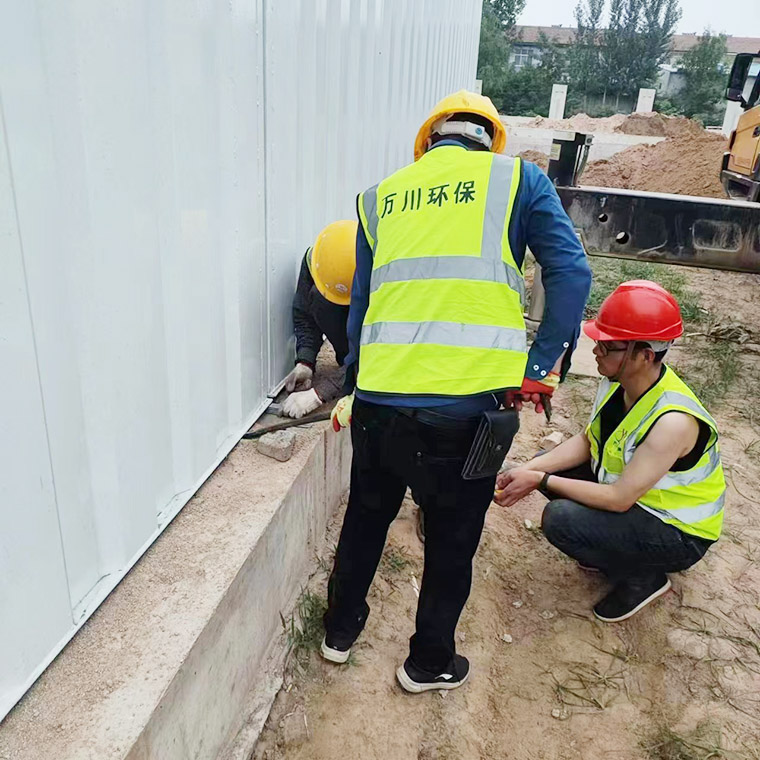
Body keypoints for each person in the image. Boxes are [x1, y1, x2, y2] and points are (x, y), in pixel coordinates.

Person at [322, 90, 591, 693]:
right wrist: (541, 365)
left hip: (379, 403)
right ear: (490, 141)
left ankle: (338, 632)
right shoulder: (517, 180)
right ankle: (428, 664)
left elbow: (361, 304)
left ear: (428, 144)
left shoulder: (379, 197)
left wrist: (357, 383)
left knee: (365, 519)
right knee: (450, 540)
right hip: (466, 410)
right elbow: (571, 272)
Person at [494, 280, 725, 622]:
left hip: (677, 532)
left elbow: (619, 499)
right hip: (638, 502)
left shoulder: (673, 421)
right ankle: (610, 545)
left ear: (645, 355)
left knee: (560, 519)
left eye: (608, 346)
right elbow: (589, 441)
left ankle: (643, 578)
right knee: (544, 467)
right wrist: (531, 469)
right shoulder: (618, 382)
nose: (596, 351)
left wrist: (540, 479)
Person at [282, 220, 357, 418]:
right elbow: (305, 315)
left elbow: (377, 351)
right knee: (317, 297)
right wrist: (305, 361)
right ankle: (348, 364)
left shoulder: (383, 278)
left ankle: (353, 373)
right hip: (350, 348)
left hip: (378, 350)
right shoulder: (315, 261)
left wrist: (320, 394)